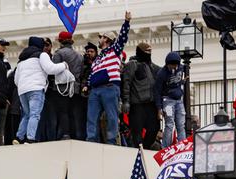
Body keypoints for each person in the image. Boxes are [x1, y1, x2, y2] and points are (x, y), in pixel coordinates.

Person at [86, 12, 131, 145]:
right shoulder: (98, 58)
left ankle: (111, 142)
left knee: (112, 117)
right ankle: (91, 141)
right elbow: (93, 72)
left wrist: (126, 22)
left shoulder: (115, 50)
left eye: (101, 37)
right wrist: (87, 85)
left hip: (110, 88)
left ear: (106, 39)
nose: (99, 40)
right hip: (95, 90)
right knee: (91, 117)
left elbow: (122, 38)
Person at [14, 36, 67, 144]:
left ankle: (19, 138)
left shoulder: (21, 60)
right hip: (36, 88)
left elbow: (16, 80)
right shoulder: (41, 55)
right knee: (35, 114)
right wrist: (64, 65)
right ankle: (30, 138)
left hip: (22, 91)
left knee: (27, 115)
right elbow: (50, 69)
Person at [122, 42, 160, 149]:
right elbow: (126, 83)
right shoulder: (132, 65)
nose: (149, 53)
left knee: (155, 128)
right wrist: (126, 101)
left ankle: (145, 148)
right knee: (136, 131)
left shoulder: (153, 67)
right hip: (137, 105)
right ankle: (139, 150)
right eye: (147, 51)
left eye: (150, 51)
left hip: (151, 104)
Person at [51, 31, 85, 141]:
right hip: (75, 88)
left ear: (61, 41)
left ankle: (65, 134)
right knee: (73, 112)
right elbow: (81, 73)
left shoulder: (59, 54)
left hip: (62, 88)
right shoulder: (79, 56)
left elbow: (54, 70)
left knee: (63, 112)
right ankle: (75, 135)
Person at [154, 52, 186, 147]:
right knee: (169, 124)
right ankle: (165, 148)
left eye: (176, 65)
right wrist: (159, 108)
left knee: (181, 124)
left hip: (178, 100)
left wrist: (183, 81)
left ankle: (182, 146)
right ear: (167, 64)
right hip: (167, 101)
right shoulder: (161, 74)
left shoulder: (181, 67)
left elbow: (183, 71)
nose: (174, 67)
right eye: (172, 65)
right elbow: (157, 91)